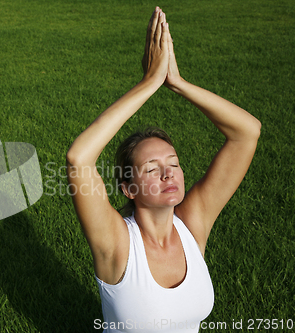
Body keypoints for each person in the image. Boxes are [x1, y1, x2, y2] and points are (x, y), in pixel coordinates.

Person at [66, 7, 261, 333]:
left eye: (173, 164)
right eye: (152, 169)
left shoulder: (193, 225)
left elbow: (247, 132)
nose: (169, 174)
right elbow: (78, 158)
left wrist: (178, 83)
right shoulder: (115, 241)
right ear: (129, 189)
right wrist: (149, 82)